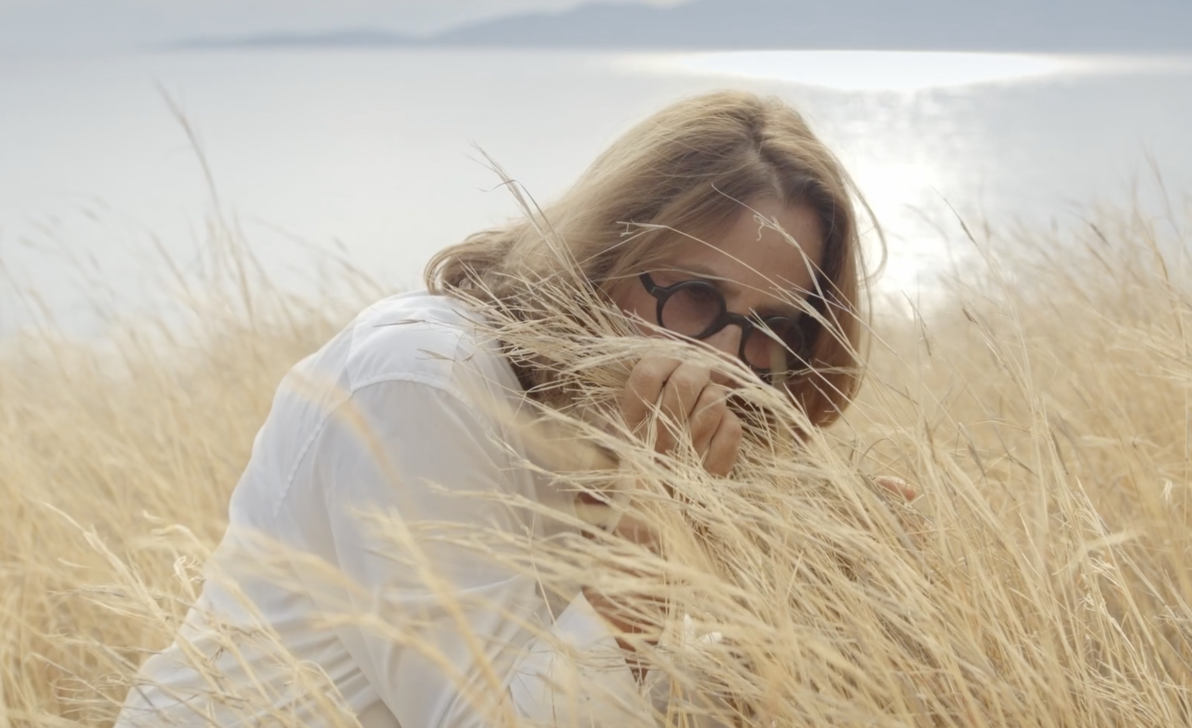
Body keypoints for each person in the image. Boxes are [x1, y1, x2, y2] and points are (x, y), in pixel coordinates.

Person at [115, 90, 905, 728]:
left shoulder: (652, 430)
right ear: (604, 259)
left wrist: (837, 600)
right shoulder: (420, 378)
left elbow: (648, 695)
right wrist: (649, 542)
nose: (725, 358)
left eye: (773, 324)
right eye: (695, 294)